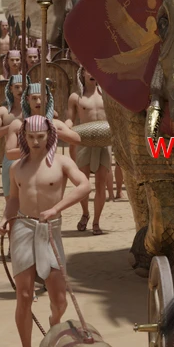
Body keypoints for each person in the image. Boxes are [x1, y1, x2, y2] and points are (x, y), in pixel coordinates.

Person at [0, 116, 91, 347]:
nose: (36, 141)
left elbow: (84, 186)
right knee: (24, 295)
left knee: (59, 300)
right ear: (24, 137)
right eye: (30, 137)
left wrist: (56, 209)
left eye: (40, 136)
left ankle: (54, 323)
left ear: (49, 135)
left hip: (50, 229)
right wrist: (5, 219)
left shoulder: (62, 162)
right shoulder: (16, 167)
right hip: (23, 228)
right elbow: (13, 199)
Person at [65, 68, 111, 234]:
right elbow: (70, 119)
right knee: (83, 183)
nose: (92, 74)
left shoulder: (107, 94)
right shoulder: (76, 97)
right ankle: (85, 213)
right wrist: (65, 128)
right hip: (83, 142)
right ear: (83, 73)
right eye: (88, 71)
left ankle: (96, 222)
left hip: (104, 142)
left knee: (100, 183)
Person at [4, 81, 81, 161]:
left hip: (48, 166)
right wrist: (34, 150)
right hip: (25, 166)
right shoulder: (18, 124)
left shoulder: (54, 123)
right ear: (27, 99)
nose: (38, 102)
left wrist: (52, 131)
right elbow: (9, 154)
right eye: (34, 98)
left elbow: (77, 139)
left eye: (41, 98)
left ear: (46, 99)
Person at [0, 74, 24, 203]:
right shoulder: (3, 111)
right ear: (10, 88)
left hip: (31, 156)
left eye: (23, 87)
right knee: (10, 199)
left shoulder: (34, 109)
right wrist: (13, 126)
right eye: (17, 87)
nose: (20, 90)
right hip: (11, 156)